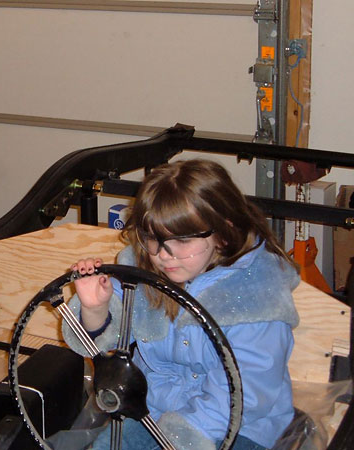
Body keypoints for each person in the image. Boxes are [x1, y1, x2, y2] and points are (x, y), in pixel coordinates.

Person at [62, 159, 300, 450]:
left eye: (182, 241)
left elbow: (244, 395)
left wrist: (177, 440)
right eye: (153, 238)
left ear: (223, 235)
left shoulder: (257, 295)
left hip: (239, 426)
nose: (164, 255)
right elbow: (99, 339)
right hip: (151, 413)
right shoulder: (140, 270)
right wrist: (94, 308)